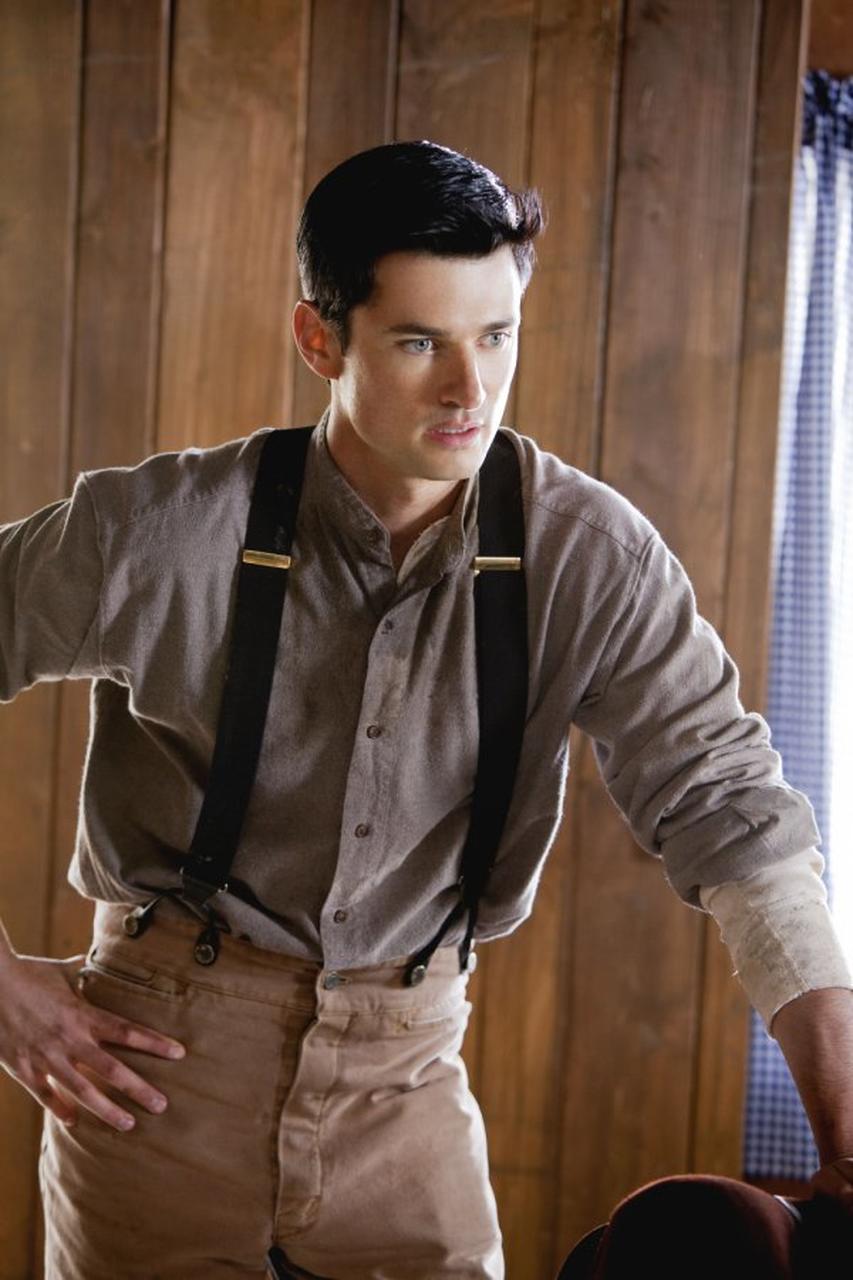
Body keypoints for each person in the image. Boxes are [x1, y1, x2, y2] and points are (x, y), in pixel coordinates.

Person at [0, 140, 851, 1280]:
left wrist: (841, 1120)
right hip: (154, 1076)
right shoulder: (155, 531)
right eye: (419, 342)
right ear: (320, 340)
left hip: (405, 1080)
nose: (470, 389)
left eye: (495, 336)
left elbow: (734, 816)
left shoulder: (591, 557)